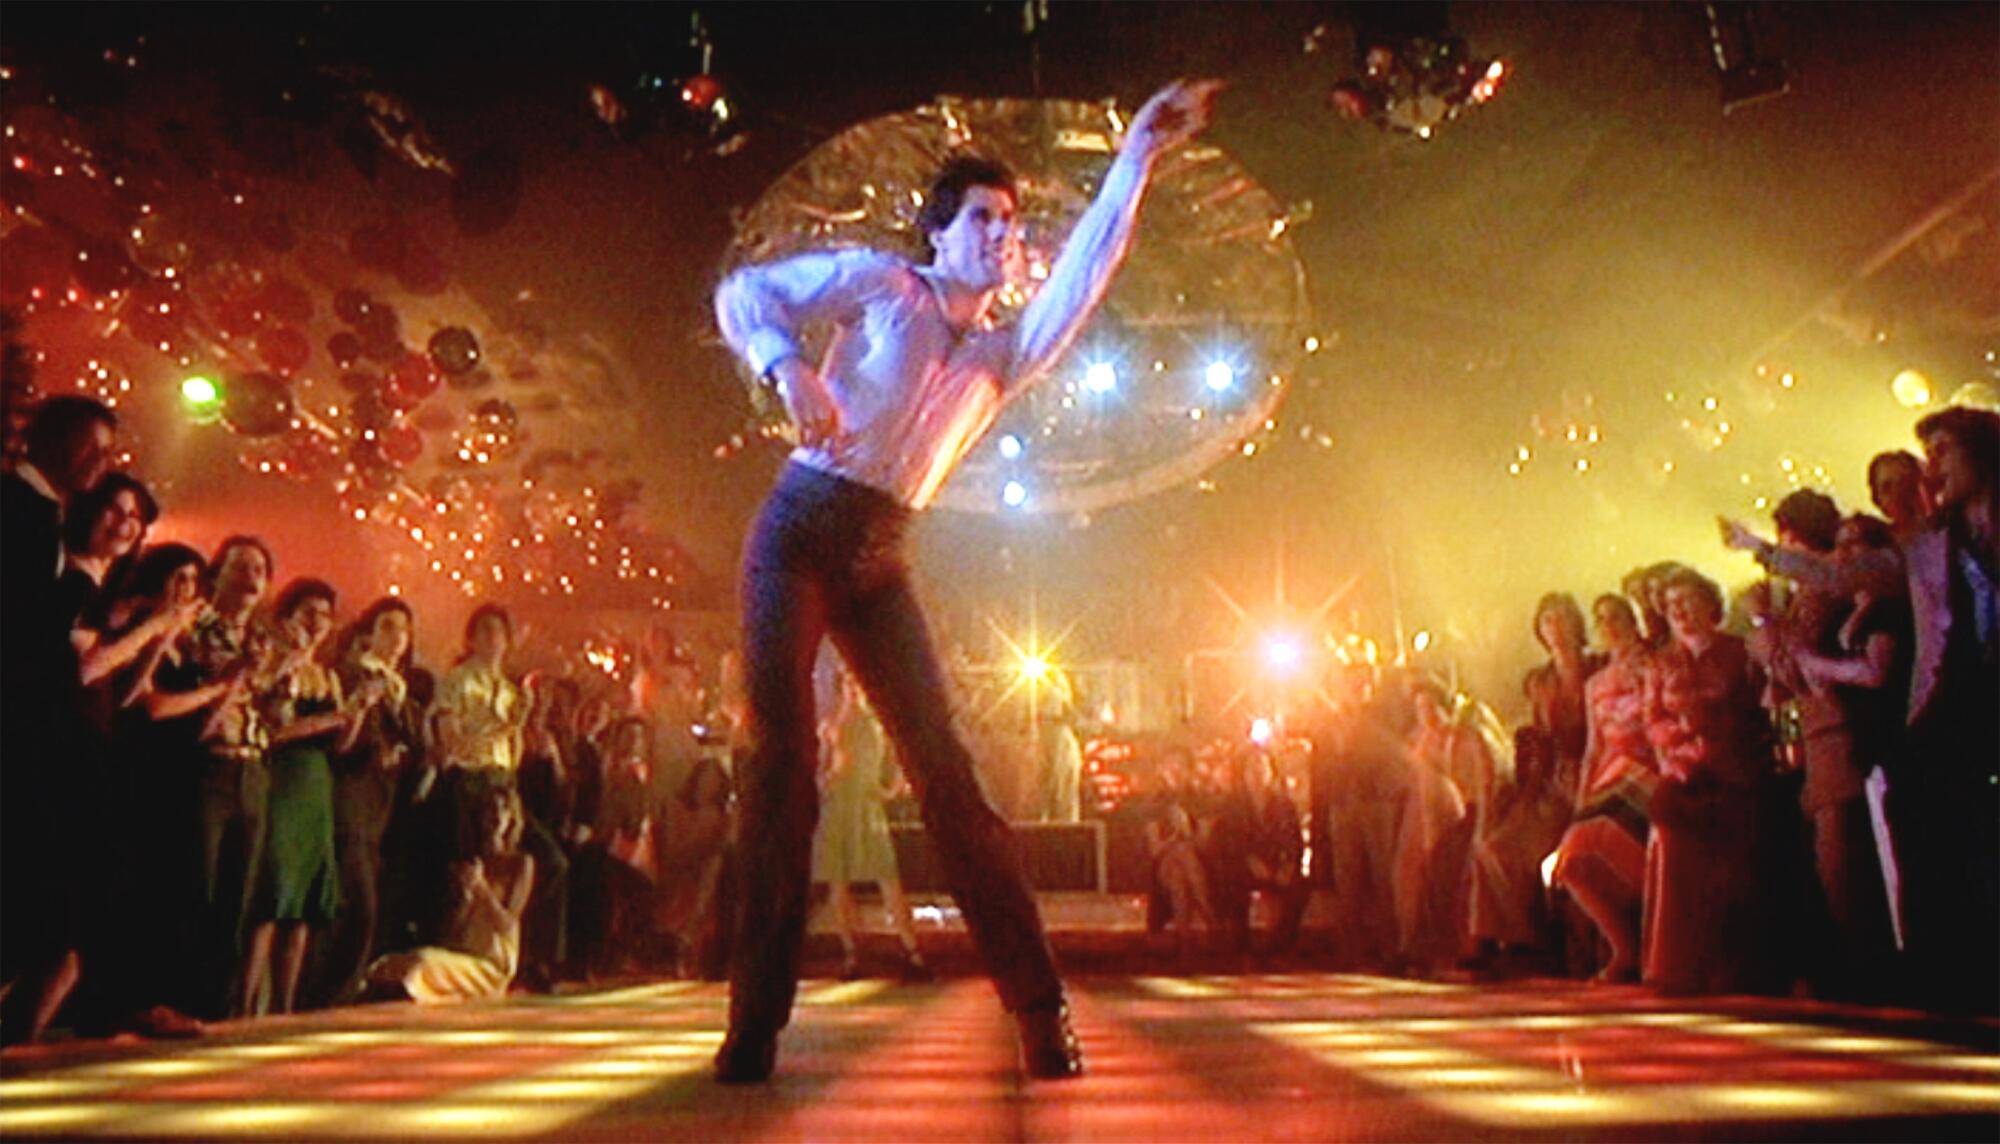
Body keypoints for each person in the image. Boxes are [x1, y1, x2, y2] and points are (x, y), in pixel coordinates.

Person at [710, 78, 1221, 1082]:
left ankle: (1039, 1012)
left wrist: (1136, 158)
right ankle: (752, 1026)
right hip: (796, 531)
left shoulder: (1004, 352)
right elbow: (743, 293)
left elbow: (1086, 275)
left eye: (1010, 222)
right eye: (980, 219)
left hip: (879, 552)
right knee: (782, 771)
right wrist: (785, 366)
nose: (1000, 235)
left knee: (951, 777)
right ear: (938, 236)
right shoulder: (881, 283)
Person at [1, 397, 116, 1044]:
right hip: (22, 725)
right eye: (90, 445)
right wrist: (78, 584)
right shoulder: (18, 507)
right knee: (38, 895)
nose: (101, 461)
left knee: (53, 908)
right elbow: (25, 626)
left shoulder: (44, 512)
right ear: (52, 438)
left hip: (38, 728)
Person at [1641, 568, 1779, 995]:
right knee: (1675, 846)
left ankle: (1739, 967)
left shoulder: (1739, 653)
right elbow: (1652, 720)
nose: (1679, 611)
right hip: (1684, 776)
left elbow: (1764, 707)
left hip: (1736, 771)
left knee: (1736, 869)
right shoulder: (1661, 662)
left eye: (1687, 601)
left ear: (1710, 605)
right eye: (1671, 605)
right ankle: (1679, 965)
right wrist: (1679, 749)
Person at [241, 580, 376, 1016]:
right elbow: (274, 731)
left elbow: (340, 745)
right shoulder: (275, 666)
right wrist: (334, 717)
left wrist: (357, 710)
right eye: (308, 612)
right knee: (272, 896)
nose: (318, 622)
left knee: (302, 905)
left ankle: (285, 1007)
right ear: (286, 617)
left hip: (318, 784)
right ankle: (244, 1007)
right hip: (282, 779)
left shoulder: (328, 675)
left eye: (324, 614)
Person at [318, 597, 422, 1006]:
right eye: (388, 626)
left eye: (404, 628)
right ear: (369, 633)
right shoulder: (353, 674)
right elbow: (348, 736)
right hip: (351, 794)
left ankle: (346, 985)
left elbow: (416, 740)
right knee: (356, 900)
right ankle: (332, 992)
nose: (397, 636)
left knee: (368, 896)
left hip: (383, 801)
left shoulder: (400, 687)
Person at [1550, 594, 1658, 982]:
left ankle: (1653, 945)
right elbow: (1594, 747)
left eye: (1616, 617)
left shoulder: (1651, 668)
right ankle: (1624, 946)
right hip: (1609, 779)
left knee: (1638, 856)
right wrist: (1581, 799)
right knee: (1573, 860)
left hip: (1648, 771)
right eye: (1601, 619)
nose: (1609, 625)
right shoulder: (1595, 684)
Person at [365, 786, 535, 1004]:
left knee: (422, 963)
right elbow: (453, 931)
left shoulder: (520, 863)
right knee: (397, 961)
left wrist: (481, 888)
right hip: (464, 951)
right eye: (489, 810)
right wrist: (463, 900)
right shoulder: (472, 860)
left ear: (512, 818)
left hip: (492, 961)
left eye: (502, 810)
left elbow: (506, 924)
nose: (495, 816)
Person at [813, 669, 931, 980]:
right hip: (841, 804)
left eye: (857, 681)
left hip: (867, 806)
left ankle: (911, 949)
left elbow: (901, 760)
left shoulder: (878, 723)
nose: (853, 688)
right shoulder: (833, 726)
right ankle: (853, 951)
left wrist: (890, 789)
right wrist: (832, 772)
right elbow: (823, 773)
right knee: (839, 882)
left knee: (887, 879)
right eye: (848, 682)